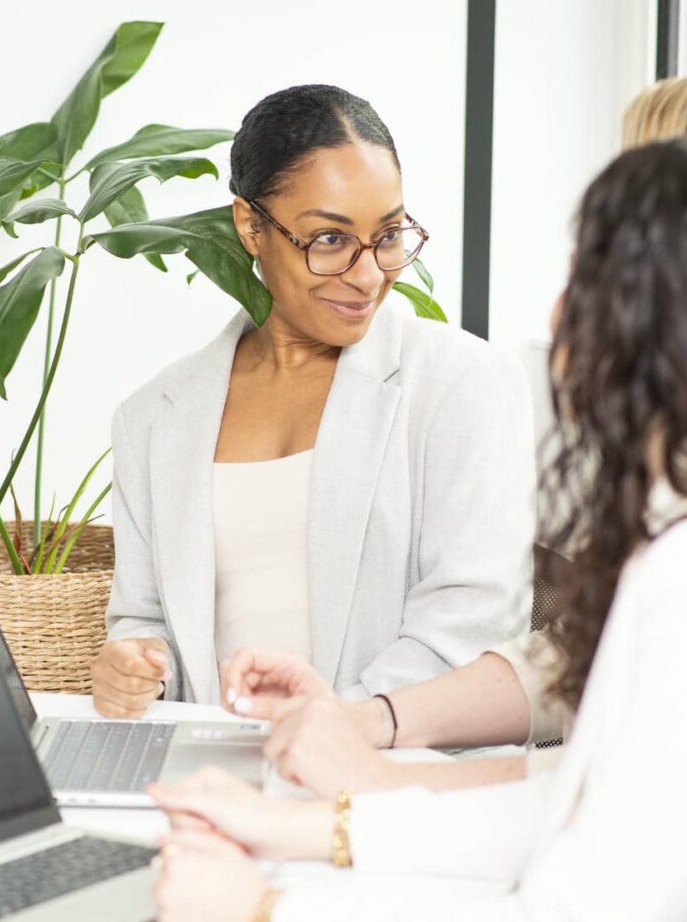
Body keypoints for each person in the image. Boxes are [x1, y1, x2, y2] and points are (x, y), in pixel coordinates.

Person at [150, 138, 687, 922]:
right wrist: (295, 830)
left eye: (583, 281)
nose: (557, 315)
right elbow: (565, 810)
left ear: (648, 323)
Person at [211, 69, 687, 799]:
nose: (563, 314)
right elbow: (587, 663)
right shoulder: (655, 460)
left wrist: (361, 792)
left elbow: (600, 828)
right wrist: (370, 724)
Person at [91, 84, 535, 718]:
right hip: (212, 769)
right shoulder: (154, 416)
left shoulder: (466, 385)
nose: (367, 274)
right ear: (250, 225)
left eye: (387, 235)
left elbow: (472, 624)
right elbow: (144, 616)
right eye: (329, 240)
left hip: (392, 776)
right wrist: (136, 669)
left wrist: (330, 731)